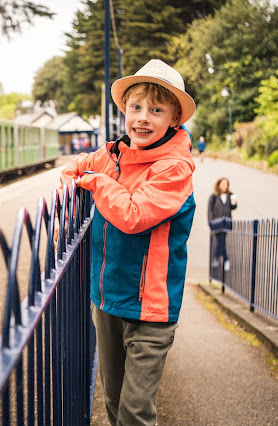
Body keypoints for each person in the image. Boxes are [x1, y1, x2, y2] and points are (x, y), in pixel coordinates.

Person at [57, 59, 196, 425]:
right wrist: (63, 210)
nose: (143, 118)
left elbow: (133, 216)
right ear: (124, 111)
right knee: (115, 402)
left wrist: (98, 182)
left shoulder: (174, 169)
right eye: (136, 107)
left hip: (151, 309)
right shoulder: (111, 155)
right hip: (108, 299)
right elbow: (72, 170)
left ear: (174, 119)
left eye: (156, 110)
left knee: (135, 411)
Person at [207, 177, 237, 271]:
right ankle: (225, 260)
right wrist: (210, 222)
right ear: (219, 185)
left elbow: (233, 207)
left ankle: (216, 258)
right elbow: (209, 211)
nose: (225, 186)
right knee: (221, 241)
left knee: (221, 241)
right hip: (216, 223)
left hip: (226, 223)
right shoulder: (213, 196)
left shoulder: (230, 195)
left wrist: (235, 203)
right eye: (223, 184)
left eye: (226, 184)